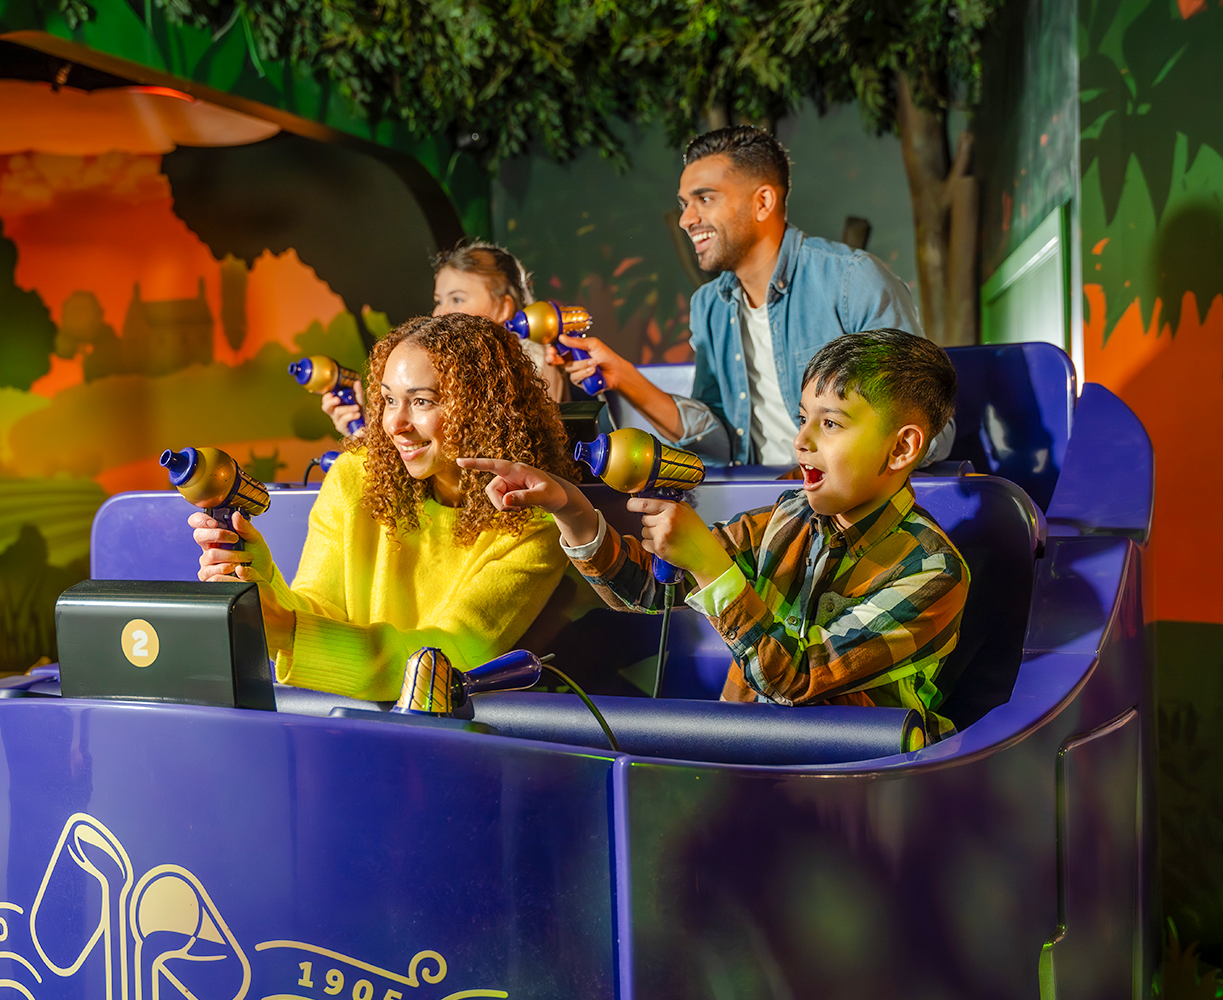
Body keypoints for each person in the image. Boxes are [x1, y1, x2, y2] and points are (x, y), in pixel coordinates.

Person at [464, 330, 970, 740]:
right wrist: (571, 508)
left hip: (865, 783)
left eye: (831, 424)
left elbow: (796, 680)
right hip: (745, 752)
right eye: (802, 419)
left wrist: (712, 565)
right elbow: (649, 592)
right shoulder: (785, 517)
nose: (801, 440)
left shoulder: (931, 571)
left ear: (902, 448)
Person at [194, 313, 578, 700]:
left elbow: (446, 659)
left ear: (484, 409)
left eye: (422, 401)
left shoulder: (533, 520)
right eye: (389, 399)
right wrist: (264, 584)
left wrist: (285, 628)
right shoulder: (354, 475)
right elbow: (319, 612)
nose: (394, 423)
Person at [551, 125, 953, 467]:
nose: (687, 219)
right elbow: (720, 441)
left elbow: (931, 432)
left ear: (763, 202)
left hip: (851, 509)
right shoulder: (709, 306)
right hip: (760, 505)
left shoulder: (852, 280)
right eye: (684, 204)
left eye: (704, 199)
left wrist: (825, 469)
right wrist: (623, 377)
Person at [323, 241, 566, 435]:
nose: (441, 313)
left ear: (504, 308)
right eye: (439, 301)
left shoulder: (538, 365)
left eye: (457, 299)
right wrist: (362, 429)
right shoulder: (437, 365)